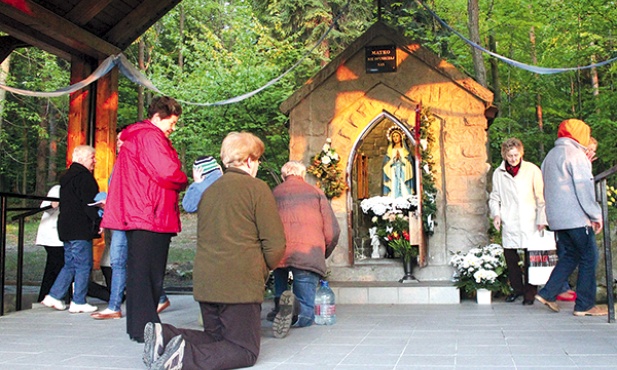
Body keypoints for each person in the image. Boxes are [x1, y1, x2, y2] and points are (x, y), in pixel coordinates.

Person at [142, 132, 286, 370]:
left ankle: (165, 336)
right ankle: (182, 358)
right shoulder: (257, 189)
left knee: (217, 339)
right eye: (258, 160)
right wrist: (263, 269)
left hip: (206, 282)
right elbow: (275, 243)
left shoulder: (207, 192)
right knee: (244, 350)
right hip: (240, 283)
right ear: (250, 160)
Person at [102, 96, 188, 341]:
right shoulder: (150, 136)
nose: (173, 128)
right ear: (159, 117)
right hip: (150, 213)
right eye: (171, 122)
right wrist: (184, 178)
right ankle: (145, 327)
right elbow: (167, 172)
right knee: (147, 274)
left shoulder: (138, 137)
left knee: (143, 272)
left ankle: (141, 327)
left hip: (143, 212)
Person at [535, 119, 606, 316]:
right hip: (576, 217)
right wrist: (595, 214)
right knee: (589, 257)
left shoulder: (550, 155)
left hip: (557, 218)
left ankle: (548, 292)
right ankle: (584, 305)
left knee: (570, 256)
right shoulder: (576, 155)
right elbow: (584, 188)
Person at [269, 161, 340, 338]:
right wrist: (322, 252)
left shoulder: (274, 193)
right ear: (302, 174)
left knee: (280, 285)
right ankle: (299, 315)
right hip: (307, 252)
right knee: (307, 308)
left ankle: (281, 309)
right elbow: (332, 230)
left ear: (284, 175)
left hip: (278, 252)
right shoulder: (316, 193)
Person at [41, 145, 101, 313]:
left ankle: (54, 295)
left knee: (70, 263)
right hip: (79, 228)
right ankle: (79, 301)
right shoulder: (84, 178)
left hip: (65, 228)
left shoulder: (66, 178)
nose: (95, 161)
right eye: (92, 158)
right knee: (83, 264)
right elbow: (90, 205)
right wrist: (99, 221)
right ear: (81, 159)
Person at [489, 138, 547, 305]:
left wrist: (542, 218)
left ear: (521, 153)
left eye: (515, 155)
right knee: (510, 256)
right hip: (510, 218)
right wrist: (497, 215)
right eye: (509, 156)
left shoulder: (532, 170)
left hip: (530, 218)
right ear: (504, 155)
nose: (513, 159)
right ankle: (517, 289)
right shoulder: (498, 173)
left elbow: (540, 196)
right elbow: (494, 197)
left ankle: (530, 292)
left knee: (531, 257)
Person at [36, 184, 64, 302]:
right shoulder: (57, 189)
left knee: (53, 268)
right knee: (60, 267)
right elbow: (45, 206)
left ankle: (45, 296)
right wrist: (53, 205)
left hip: (59, 237)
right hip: (52, 237)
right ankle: (53, 295)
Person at [382, 126, 415, 197]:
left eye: (397, 136)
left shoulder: (405, 151)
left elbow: (409, 164)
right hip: (393, 172)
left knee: (403, 188)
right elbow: (386, 166)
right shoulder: (390, 151)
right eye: (393, 136)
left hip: (403, 172)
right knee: (394, 186)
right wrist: (394, 160)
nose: (395, 138)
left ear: (401, 137)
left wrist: (401, 159)